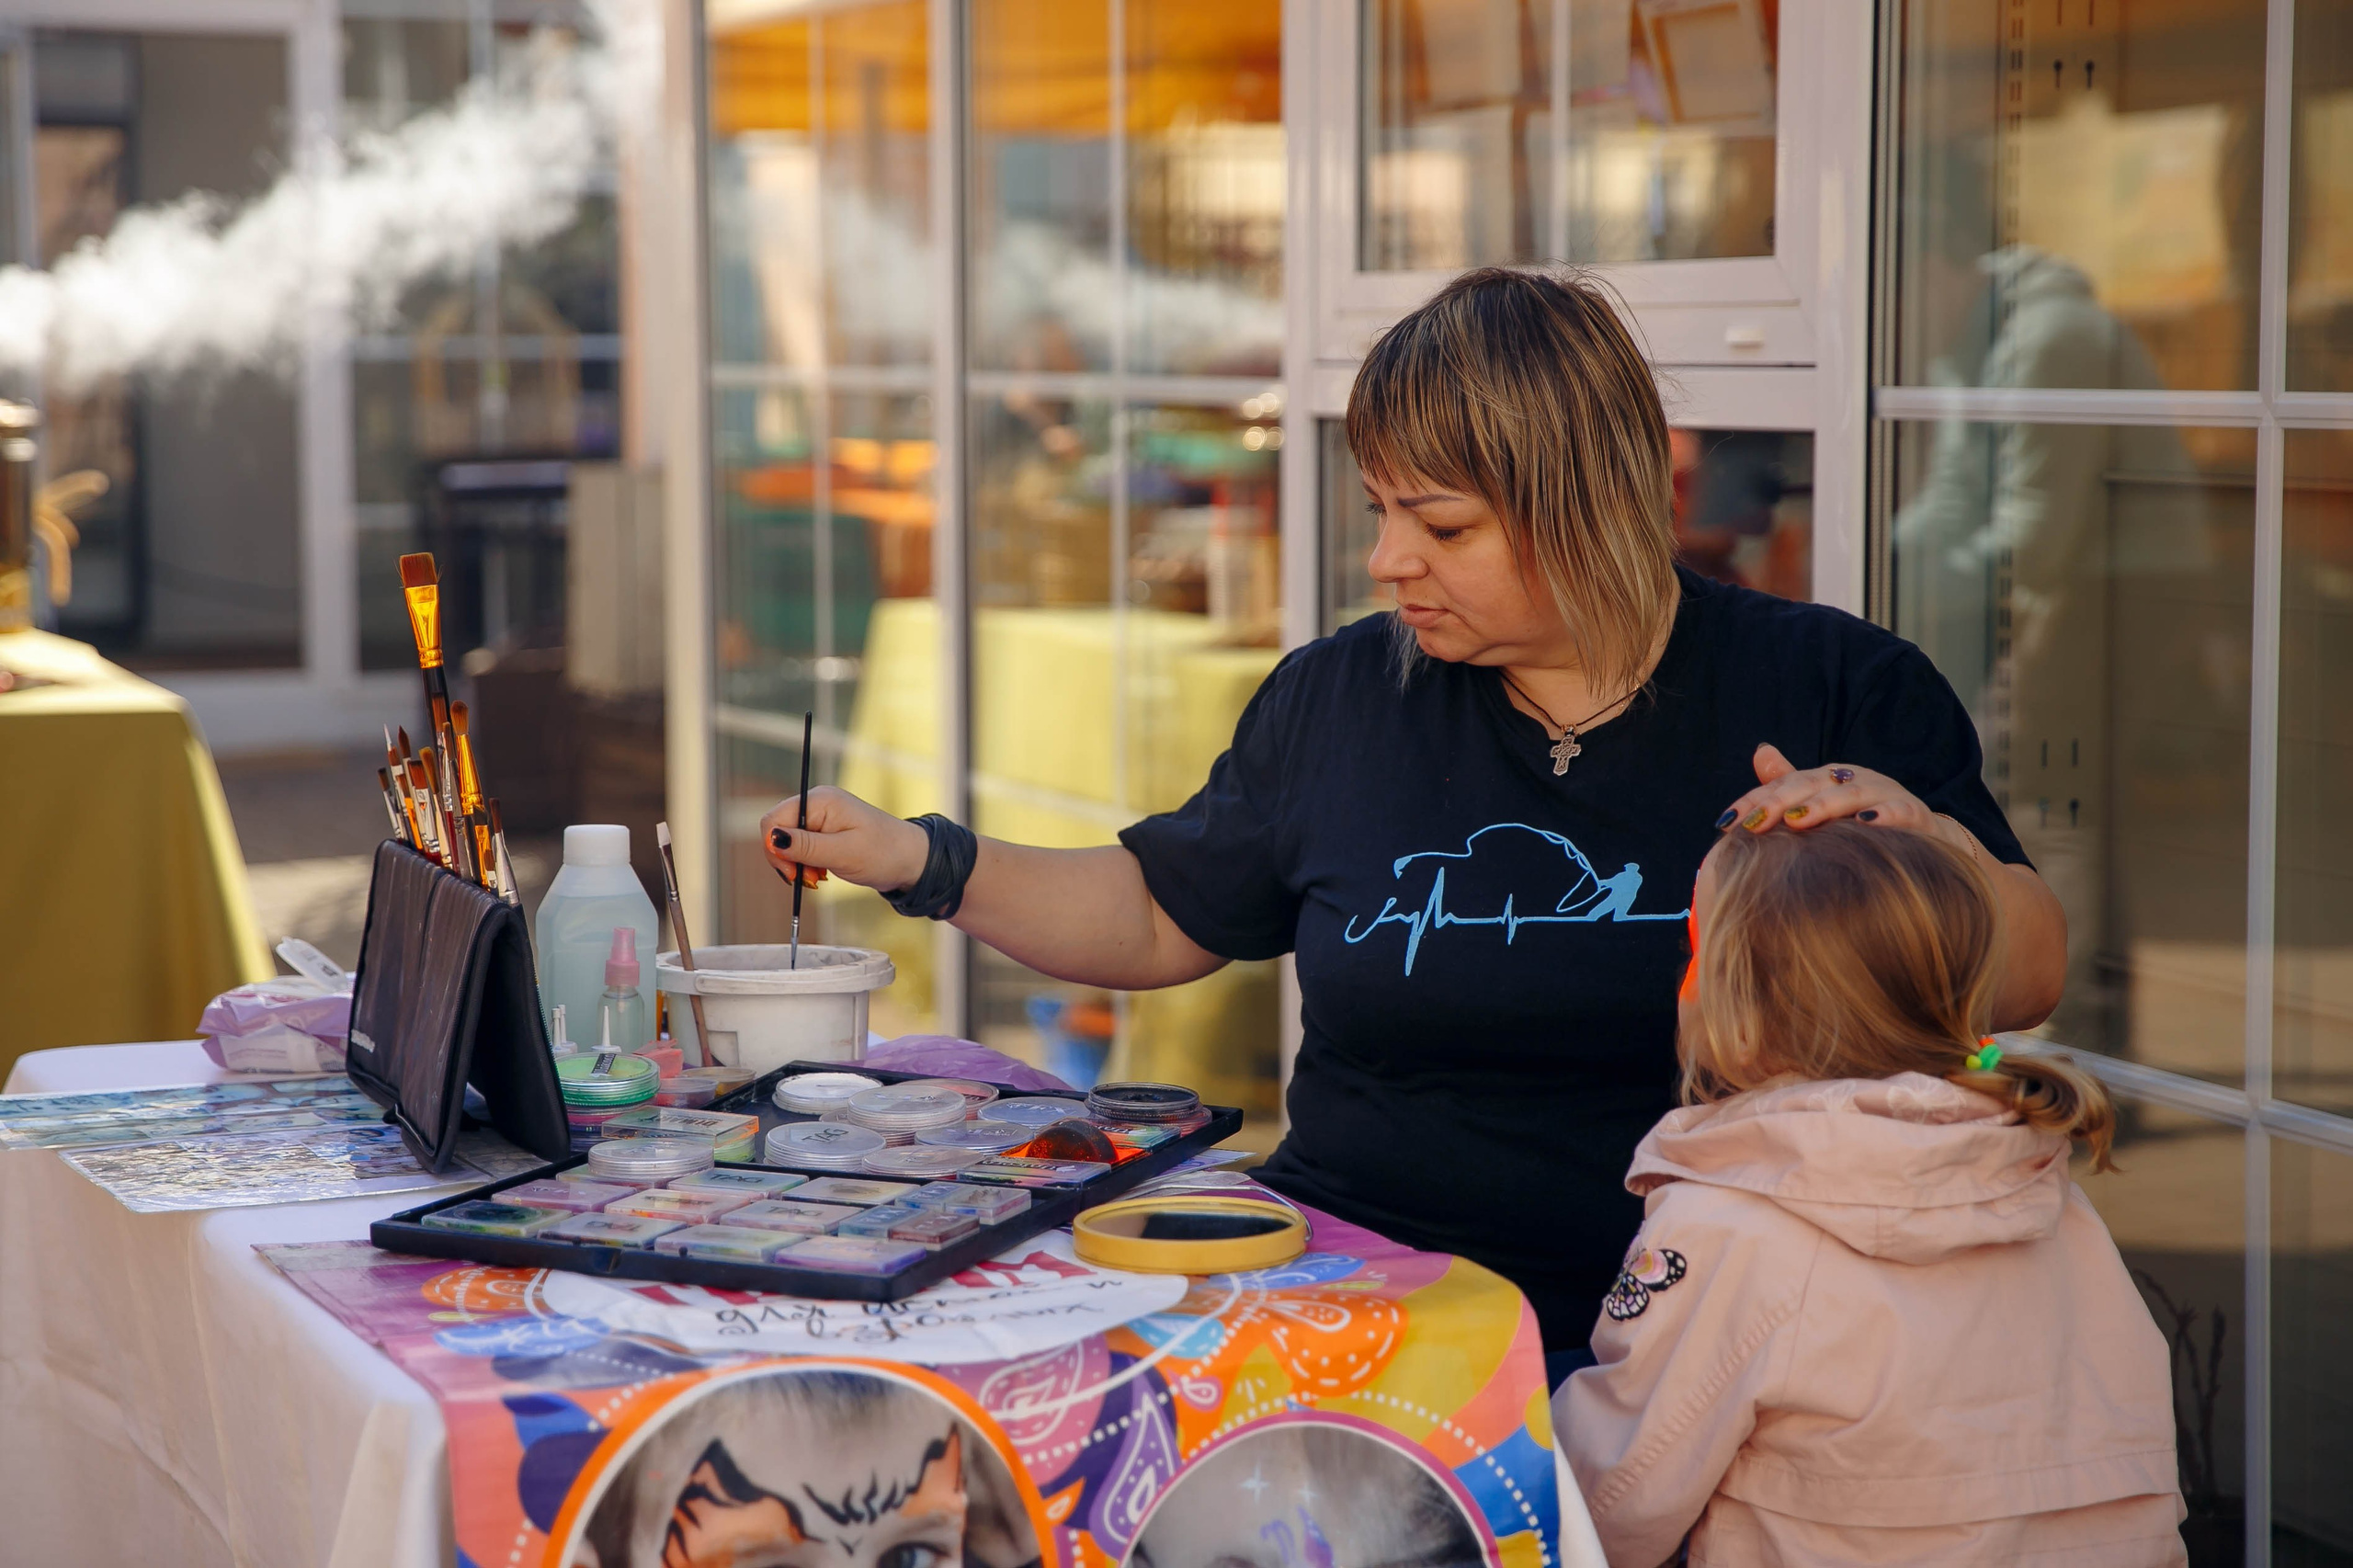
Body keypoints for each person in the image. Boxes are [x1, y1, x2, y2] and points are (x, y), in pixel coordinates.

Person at [759, 267, 2068, 1364]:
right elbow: (1165, 907)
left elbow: (2027, 972)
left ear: (1584, 501)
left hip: (1720, 1315)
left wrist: (1913, 838)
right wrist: (919, 859)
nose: (1390, 561)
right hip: (1361, 1288)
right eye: (1385, 511)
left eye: (1438, 523)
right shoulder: (1337, 697)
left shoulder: (1835, 686)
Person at [1556, 822, 2182, 1566]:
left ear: (1744, 1021)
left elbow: (1610, 1505)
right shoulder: (2043, 1195)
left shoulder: (1731, 1226)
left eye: (1697, 954)